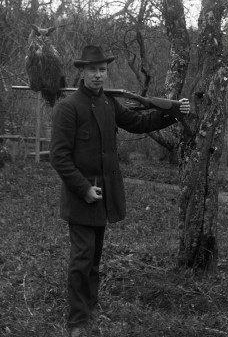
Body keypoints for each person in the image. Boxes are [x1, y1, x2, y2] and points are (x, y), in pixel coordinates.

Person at [49, 45, 190, 337]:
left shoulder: (109, 105)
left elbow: (139, 124)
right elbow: (59, 157)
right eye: (92, 70)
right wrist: (84, 188)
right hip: (81, 196)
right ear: (82, 72)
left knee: (95, 256)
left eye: (102, 70)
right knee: (82, 258)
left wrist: (174, 112)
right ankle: (77, 321)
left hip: (104, 195)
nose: (98, 75)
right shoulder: (68, 107)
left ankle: (90, 303)